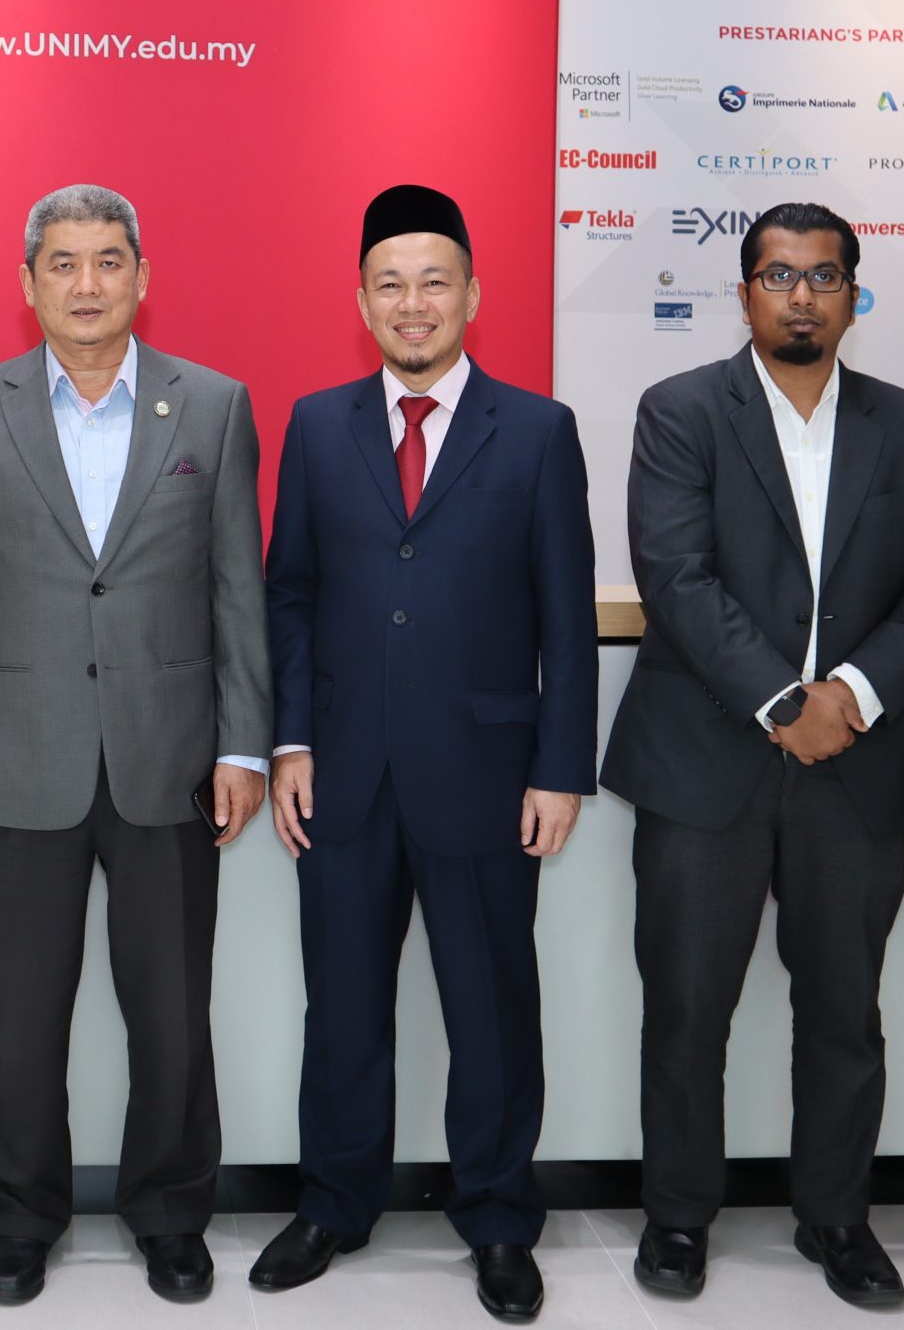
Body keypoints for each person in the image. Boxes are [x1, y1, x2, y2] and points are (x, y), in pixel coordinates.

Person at [600, 203, 904, 1309]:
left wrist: (848, 697)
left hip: (853, 763)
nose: (800, 296)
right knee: (685, 1008)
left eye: (822, 277)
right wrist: (781, 702)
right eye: (778, 276)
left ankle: (837, 1217)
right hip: (703, 762)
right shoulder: (679, 410)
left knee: (845, 1011)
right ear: (744, 292)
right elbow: (675, 575)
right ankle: (677, 1217)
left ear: (853, 293)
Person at [0, 184, 272, 1305]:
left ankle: (170, 1213)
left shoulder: (212, 407)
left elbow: (237, 592)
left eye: (108, 261)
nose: (86, 283)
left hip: (172, 758)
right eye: (61, 263)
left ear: (141, 278)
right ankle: (20, 1218)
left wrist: (245, 746)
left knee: (171, 1015)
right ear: (27, 284)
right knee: (21, 1020)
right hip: (20, 758)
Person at [250, 186, 597, 1323]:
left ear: (471, 295)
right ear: (361, 302)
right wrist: (290, 739)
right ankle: (334, 1202)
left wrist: (560, 768)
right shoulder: (317, 425)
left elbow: (565, 619)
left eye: (433, 280)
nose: (413, 303)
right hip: (341, 774)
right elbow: (290, 594)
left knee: (490, 1008)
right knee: (342, 1008)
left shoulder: (537, 431)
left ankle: (497, 1216)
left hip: (488, 777)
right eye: (389, 283)